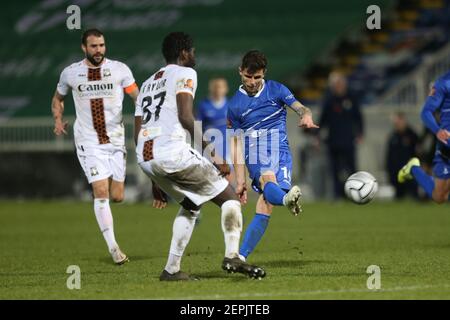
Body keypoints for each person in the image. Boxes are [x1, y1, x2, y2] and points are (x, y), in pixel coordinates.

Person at [134, 32, 266, 281]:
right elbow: (186, 117)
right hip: (172, 154)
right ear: (184, 53)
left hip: (147, 157)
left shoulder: (148, 83)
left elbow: (137, 133)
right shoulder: (185, 73)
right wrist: (213, 153)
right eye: (192, 51)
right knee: (230, 198)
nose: (194, 56)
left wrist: (154, 178)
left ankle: (171, 270)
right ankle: (233, 255)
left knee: (191, 205)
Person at [52, 28, 139, 264]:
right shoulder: (71, 73)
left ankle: (111, 214)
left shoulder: (120, 70)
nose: (98, 50)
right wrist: (58, 119)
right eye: (93, 46)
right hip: (88, 141)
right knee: (100, 192)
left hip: (115, 140)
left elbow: (137, 96)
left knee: (117, 196)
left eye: (101, 45)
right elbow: (58, 99)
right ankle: (114, 249)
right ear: (84, 48)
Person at [227, 50, 319, 262]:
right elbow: (235, 144)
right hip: (256, 151)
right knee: (267, 177)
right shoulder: (234, 106)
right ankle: (287, 199)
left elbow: (300, 107)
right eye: (248, 77)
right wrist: (240, 180)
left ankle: (240, 257)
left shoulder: (276, 89)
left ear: (264, 74)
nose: (252, 82)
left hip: (282, 152)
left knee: (265, 204)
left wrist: (306, 115)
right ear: (240, 71)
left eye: (257, 77)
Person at [398, 73, 450, 204]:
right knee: (439, 197)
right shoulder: (443, 83)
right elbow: (426, 112)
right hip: (446, 145)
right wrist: (437, 131)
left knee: (440, 196)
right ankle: (413, 168)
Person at [318, 71, 364, 199]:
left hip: (349, 140)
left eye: (340, 83)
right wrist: (317, 136)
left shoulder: (351, 98)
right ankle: (338, 195)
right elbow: (322, 121)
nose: (338, 86)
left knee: (352, 169)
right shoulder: (329, 100)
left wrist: (360, 133)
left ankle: (355, 194)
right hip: (333, 141)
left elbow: (359, 118)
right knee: (335, 171)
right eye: (336, 84)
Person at [386, 112, 419, 199]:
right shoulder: (393, 136)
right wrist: (389, 169)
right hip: (396, 171)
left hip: (409, 171)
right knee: (399, 196)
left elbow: (418, 152)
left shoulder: (412, 135)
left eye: (399, 121)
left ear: (404, 121)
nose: (397, 124)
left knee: (413, 195)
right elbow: (389, 155)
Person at [196, 77, 229, 162]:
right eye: (216, 87)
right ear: (211, 88)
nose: (218, 90)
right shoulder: (203, 105)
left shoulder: (230, 105)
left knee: (229, 172)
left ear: (226, 89)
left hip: (226, 147)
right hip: (210, 147)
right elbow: (197, 127)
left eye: (221, 87)